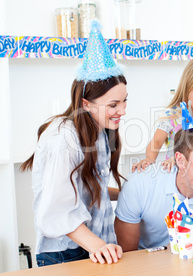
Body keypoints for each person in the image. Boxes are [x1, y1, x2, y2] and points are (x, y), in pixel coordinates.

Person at [20, 21, 126, 266]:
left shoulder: (101, 132)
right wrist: (98, 246)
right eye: (113, 105)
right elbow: (58, 208)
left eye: (123, 101)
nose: (121, 110)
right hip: (66, 253)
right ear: (86, 104)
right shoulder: (64, 137)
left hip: (93, 245)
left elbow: (87, 190)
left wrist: (123, 194)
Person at [131, 45, 193, 173]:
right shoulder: (174, 115)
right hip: (175, 171)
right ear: (188, 88)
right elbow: (157, 142)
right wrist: (150, 159)